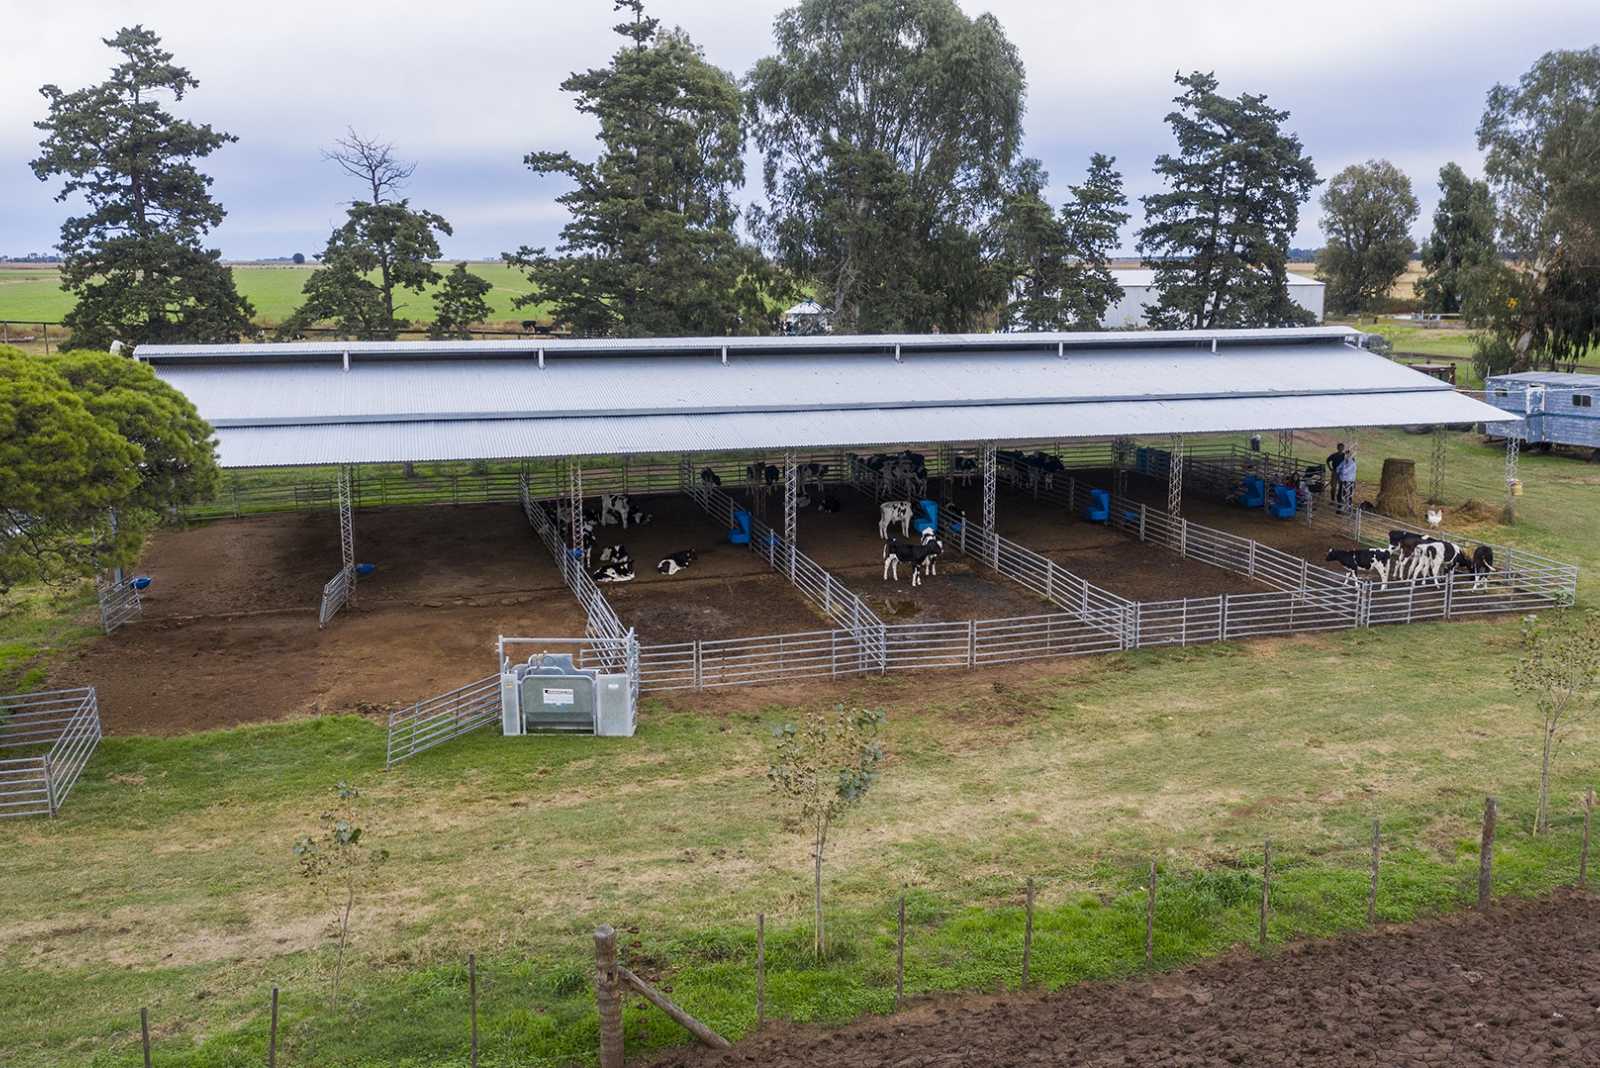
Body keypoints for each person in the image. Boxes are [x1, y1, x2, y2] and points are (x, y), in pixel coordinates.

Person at [1336, 447, 1357, 514]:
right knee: (1340, 495)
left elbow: (1344, 471)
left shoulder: (1352, 463)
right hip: (1343, 481)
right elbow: (1337, 468)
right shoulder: (1344, 462)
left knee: (1348, 495)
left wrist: (1341, 471)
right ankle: (1340, 508)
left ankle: (1348, 509)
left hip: (1349, 482)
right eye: (1345, 454)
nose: (1346, 456)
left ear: (1350, 455)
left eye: (1347, 455)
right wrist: (1340, 471)